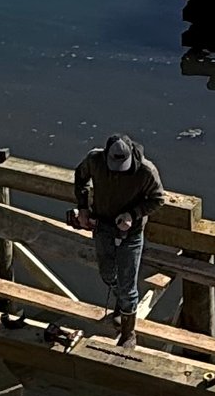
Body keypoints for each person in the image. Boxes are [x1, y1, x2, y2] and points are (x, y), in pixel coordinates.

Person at [70, 132, 164, 345]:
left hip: (130, 231)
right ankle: (121, 303)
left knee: (128, 286)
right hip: (103, 225)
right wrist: (83, 208)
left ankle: (129, 334)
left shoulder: (146, 171)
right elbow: (80, 177)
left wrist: (133, 214)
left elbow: (158, 199)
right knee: (107, 274)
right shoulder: (94, 160)